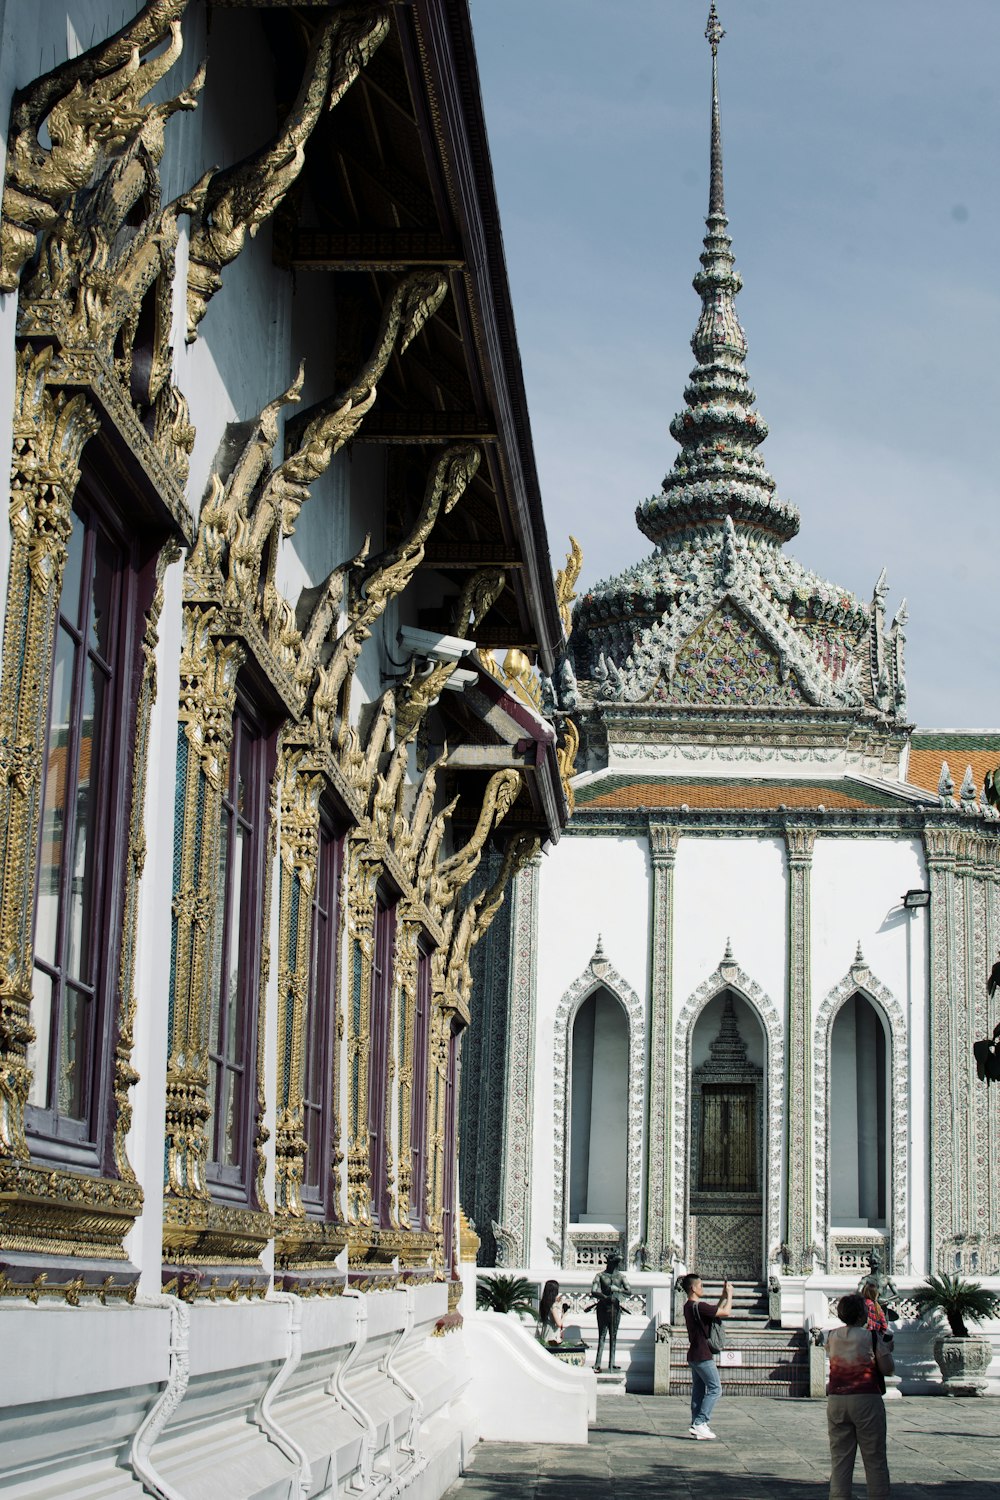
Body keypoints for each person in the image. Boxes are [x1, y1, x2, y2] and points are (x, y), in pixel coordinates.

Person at [826, 1292, 894, 1500]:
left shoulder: (831, 1336)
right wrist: (887, 1350)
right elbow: (888, 1369)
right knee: (874, 1457)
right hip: (865, 1398)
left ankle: (838, 1496)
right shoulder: (870, 1337)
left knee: (840, 1459)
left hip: (837, 1399)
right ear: (861, 1315)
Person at [681, 1272, 733, 1439]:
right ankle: (701, 1422)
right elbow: (725, 1313)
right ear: (693, 1288)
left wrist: (722, 1297)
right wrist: (730, 1295)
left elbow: (712, 1313)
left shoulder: (689, 1306)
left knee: (698, 1391)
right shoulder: (699, 1306)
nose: (702, 1288)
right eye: (700, 1285)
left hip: (694, 1354)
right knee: (715, 1389)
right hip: (703, 1355)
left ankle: (696, 1424)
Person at [590, 1251, 631, 1371]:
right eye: (614, 1263)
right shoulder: (600, 1276)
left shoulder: (621, 1277)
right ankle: (598, 1363)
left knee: (614, 1335)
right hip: (603, 1307)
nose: (615, 1265)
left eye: (617, 1263)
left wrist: (618, 1290)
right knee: (602, 1335)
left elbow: (629, 1291)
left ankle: (612, 1362)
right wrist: (605, 1296)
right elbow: (593, 1291)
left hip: (615, 1307)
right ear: (609, 1263)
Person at [537, 1279, 566, 1345]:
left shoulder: (543, 1303)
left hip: (545, 1335)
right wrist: (565, 1315)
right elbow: (559, 1323)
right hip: (552, 1338)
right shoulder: (553, 1306)